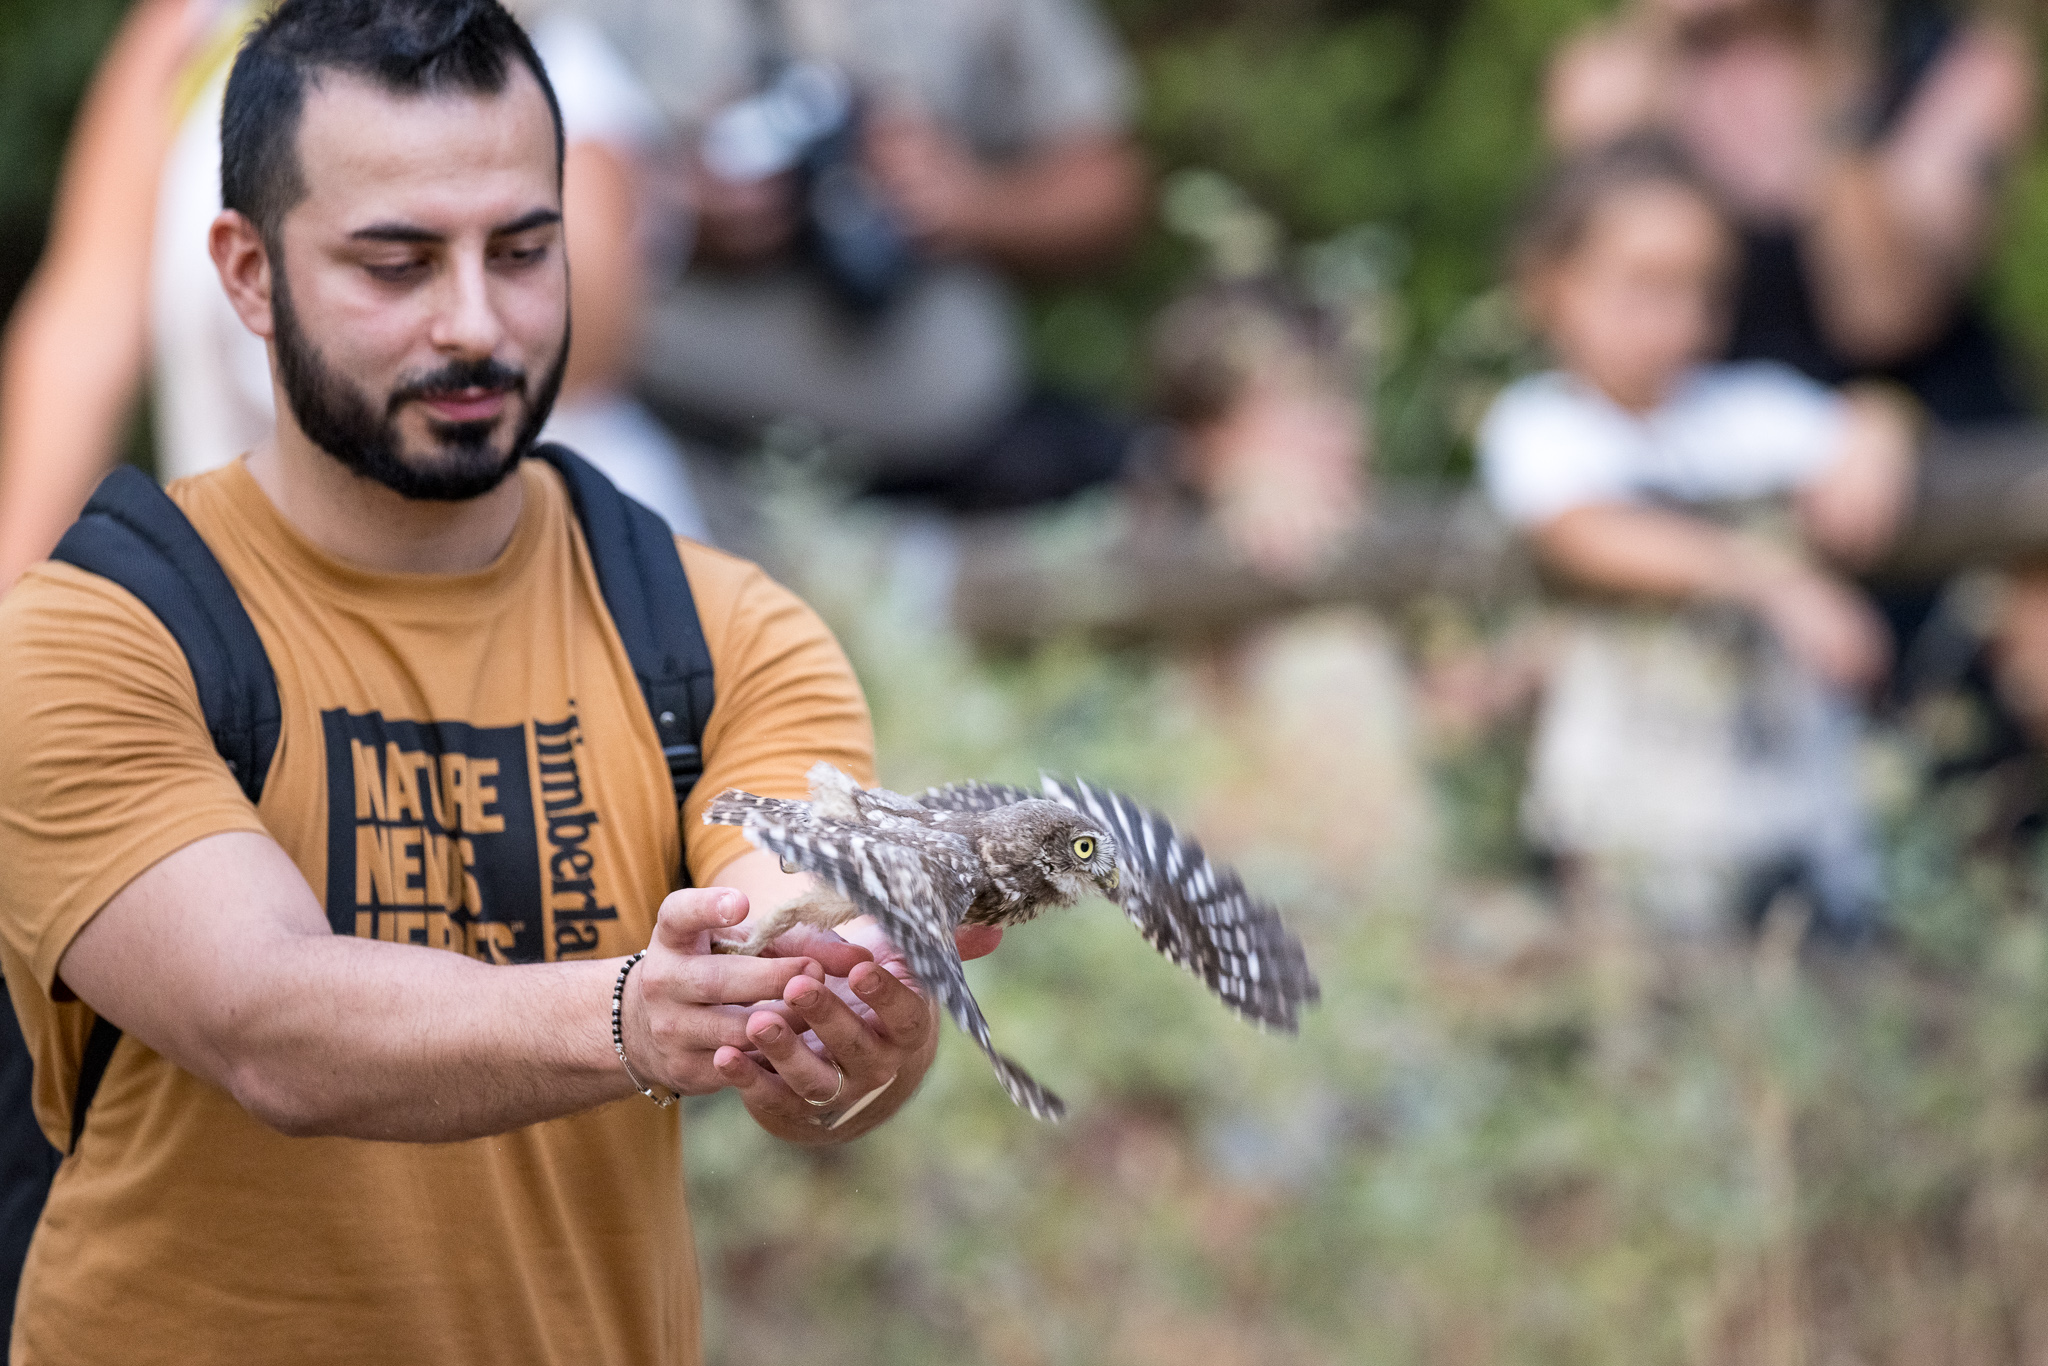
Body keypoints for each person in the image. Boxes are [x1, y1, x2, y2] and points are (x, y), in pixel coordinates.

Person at [0, 1, 1001, 1360]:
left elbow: (791, 960)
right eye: (395, 263)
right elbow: (266, 1024)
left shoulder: (722, 631)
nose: (475, 322)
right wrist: (633, 1012)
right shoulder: (95, 636)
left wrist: (840, 1003)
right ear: (246, 271)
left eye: (523, 250)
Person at [0, 0, 705, 599]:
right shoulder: (194, 35)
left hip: (545, 604)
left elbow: (591, 344)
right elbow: (79, 339)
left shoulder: (549, 62)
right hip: (250, 612)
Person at [1544, 0, 2048, 743]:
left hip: (1927, 444)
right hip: (1720, 453)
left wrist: (1834, 83)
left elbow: (1882, 313)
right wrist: (1658, 41)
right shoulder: (1624, 70)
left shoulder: (1957, 61)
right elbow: (1591, 284)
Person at [1479, 137, 1916, 934]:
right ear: (1551, 285)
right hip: (1627, 851)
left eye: (1702, 289)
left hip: (1798, 844)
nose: (1677, 319)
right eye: (1643, 284)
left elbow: (1864, 423)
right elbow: (1579, 529)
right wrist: (1776, 582)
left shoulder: (1752, 409)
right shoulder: (1541, 424)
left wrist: (1884, 428)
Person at [558, 0, 1149, 513]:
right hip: (678, 456)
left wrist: (969, 202)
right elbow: (493, 175)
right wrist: (670, 206)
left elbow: (1110, 185)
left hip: (958, 455)